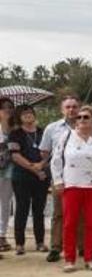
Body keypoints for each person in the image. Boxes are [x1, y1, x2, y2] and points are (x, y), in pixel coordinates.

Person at [50, 105, 92, 272]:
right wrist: (58, 180)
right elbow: (56, 160)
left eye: (86, 117)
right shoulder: (66, 137)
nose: (81, 120)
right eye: (78, 117)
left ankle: (89, 259)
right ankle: (70, 260)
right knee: (69, 223)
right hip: (72, 185)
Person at [39, 95, 80, 263]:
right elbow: (44, 152)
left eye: (74, 106)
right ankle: (56, 247)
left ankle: (81, 247)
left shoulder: (86, 125)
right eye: (68, 107)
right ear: (62, 109)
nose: (71, 110)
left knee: (80, 213)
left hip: (80, 178)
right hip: (60, 177)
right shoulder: (52, 128)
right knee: (58, 213)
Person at [8, 104, 48, 255]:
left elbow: (49, 152)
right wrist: (34, 169)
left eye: (30, 112)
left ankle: (40, 242)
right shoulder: (15, 134)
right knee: (22, 209)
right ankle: (19, 243)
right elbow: (15, 156)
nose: (28, 115)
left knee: (39, 210)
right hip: (21, 177)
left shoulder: (43, 132)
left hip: (41, 177)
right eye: (24, 113)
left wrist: (42, 165)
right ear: (19, 117)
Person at [0, 97, 14, 255]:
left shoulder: (15, 129)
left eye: (10, 107)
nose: (7, 110)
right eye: (4, 107)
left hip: (9, 170)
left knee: (5, 203)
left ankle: (2, 235)